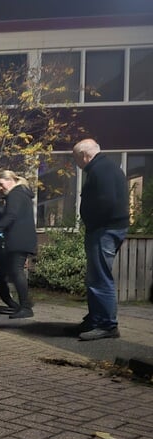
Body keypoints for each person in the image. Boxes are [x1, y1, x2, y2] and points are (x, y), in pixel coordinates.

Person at [72, 138, 129, 341]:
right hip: (110, 228)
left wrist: (93, 222)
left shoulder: (100, 170)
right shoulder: (109, 167)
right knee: (96, 277)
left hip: (104, 230)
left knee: (100, 278)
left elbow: (107, 201)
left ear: (84, 156)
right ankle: (96, 319)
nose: (76, 164)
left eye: (76, 158)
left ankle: (106, 325)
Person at [0, 170, 37, 319]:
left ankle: (25, 307)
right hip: (23, 238)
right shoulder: (22, 194)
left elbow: (11, 216)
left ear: (10, 180)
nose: (0, 188)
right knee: (14, 272)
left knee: (16, 272)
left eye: (1, 184)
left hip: (18, 239)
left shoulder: (15, 194)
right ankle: (25, 302)